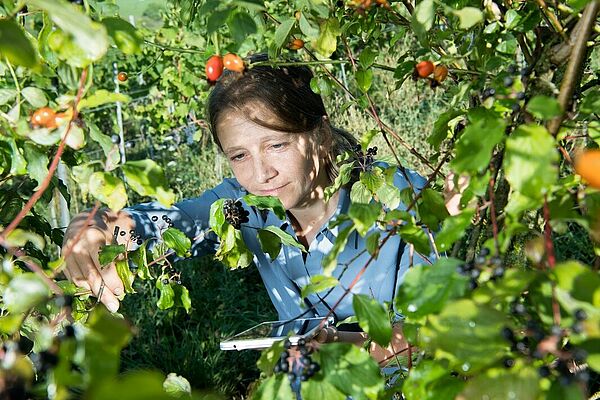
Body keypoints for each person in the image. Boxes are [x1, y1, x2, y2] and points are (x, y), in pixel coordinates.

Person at [62, 55, 436, 366]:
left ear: (320, 135)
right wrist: (95, 225)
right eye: (239, 156)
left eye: (276, 145)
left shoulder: (399, 198)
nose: (261, 174)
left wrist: (344, 348)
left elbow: (443, 328)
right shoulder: (246, 206)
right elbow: (176, 221)